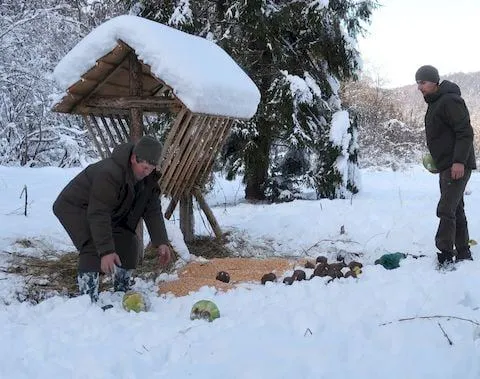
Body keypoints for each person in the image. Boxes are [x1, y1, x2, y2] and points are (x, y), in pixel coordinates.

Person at [53, 135, 172, 301]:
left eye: (151, 169)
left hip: (106, 210)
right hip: (75, 207)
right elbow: (99, 213)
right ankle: (87, 298)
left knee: (129, 241)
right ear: (133, 158)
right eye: (144, 167)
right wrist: (107, 251)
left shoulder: (148, 181)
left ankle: (121, 290)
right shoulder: (110, 173)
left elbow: (152, 210)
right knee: (93, 243)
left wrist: (161, 242)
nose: (146, 173)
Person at [415, 65, 476, 266]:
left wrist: (458, 161)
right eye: (418, 83)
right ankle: (463, 252)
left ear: (434, 81)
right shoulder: (436, 103)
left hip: (456, 165)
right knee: (456, 209)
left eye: (422, 82)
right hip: (447, 165)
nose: (419, 87)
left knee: (446, 209)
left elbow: (465, 132)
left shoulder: (450, 100)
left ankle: (445, 254)